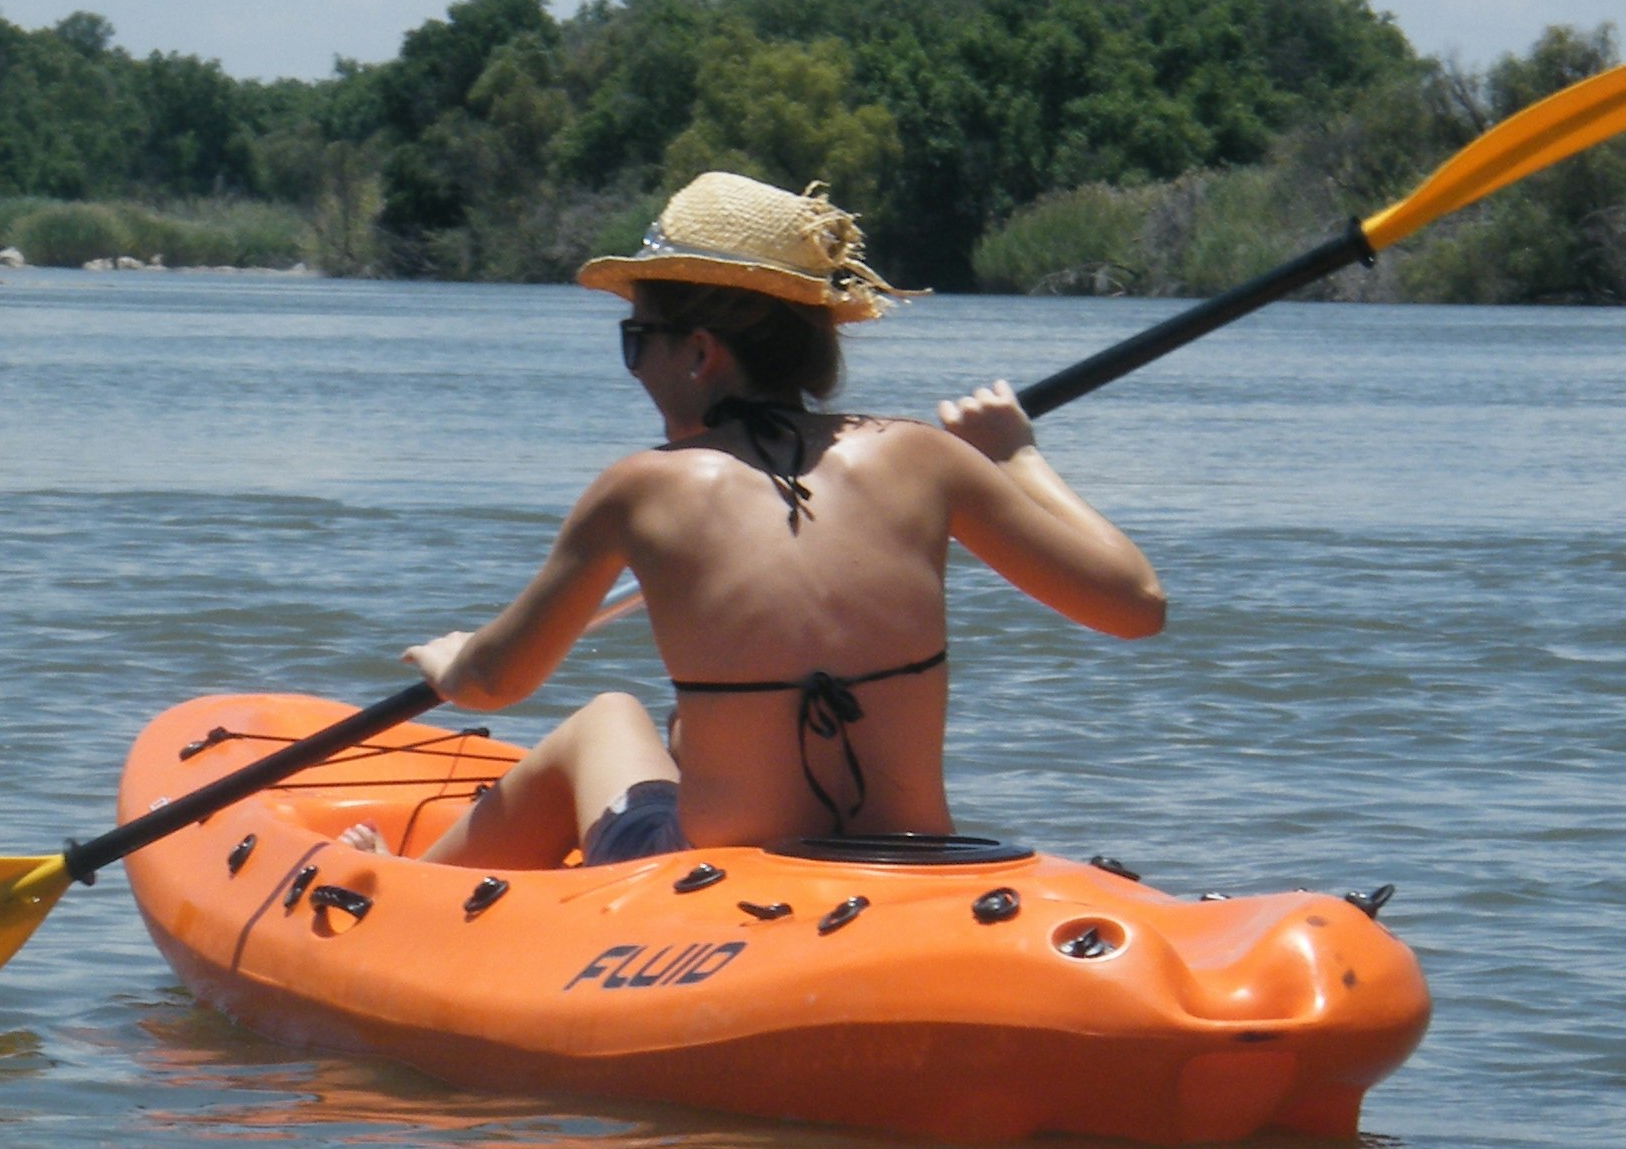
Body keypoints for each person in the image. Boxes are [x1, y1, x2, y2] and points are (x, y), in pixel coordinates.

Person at [383, 170, 1166, 869]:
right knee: (686, 731)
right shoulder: (924, 457)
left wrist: (454, 662)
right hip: (913, 861)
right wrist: (1017, 457)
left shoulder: (639, 490)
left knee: (606, 718)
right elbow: (1136, 606)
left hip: (718, 874)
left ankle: (400, 889)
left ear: (699, 353)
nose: (636, 367)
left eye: (637, 340)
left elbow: (496, 681)